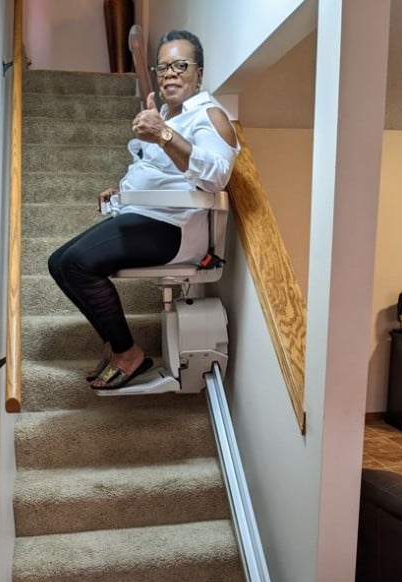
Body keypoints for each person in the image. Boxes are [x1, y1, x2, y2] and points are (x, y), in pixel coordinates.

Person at [48, 29, 239, 390]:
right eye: (163, 66)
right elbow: (156, 173)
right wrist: (121, 192)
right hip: (144, 216)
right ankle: (111, 343)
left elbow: (217, 177)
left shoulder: (210, 116)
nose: (169, 73)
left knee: (78, 264)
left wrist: (164, 134)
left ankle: (128, 353)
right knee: (58, 263)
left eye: (181, 65)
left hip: (174, 228)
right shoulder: (168, 114)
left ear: (199, 72)